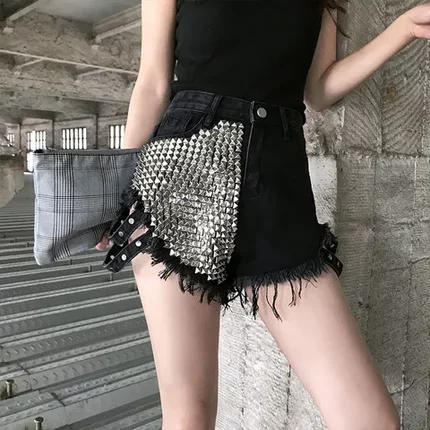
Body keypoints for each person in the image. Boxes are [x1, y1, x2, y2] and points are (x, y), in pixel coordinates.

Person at [97, 1, 430, 428]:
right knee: (189, 415)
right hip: (180, 176)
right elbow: (153, 84)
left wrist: (403, 29)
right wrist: (119, 199)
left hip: (278, 188)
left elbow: (319, 91)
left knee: (372, 420)